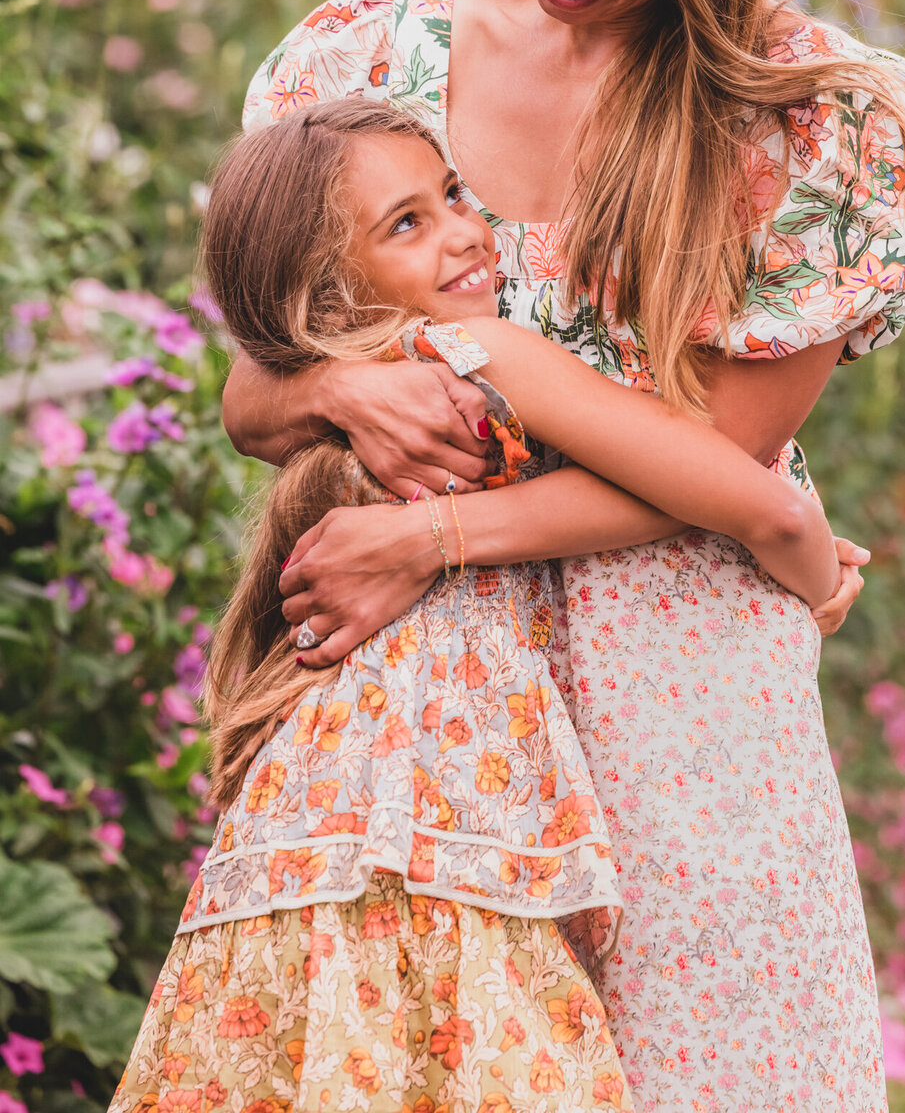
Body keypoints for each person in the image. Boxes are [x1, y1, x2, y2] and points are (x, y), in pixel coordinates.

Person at [225, 0, 905, 1112]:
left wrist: (431, 537)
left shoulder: (809, 115)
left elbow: (726, 456)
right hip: (418, 682)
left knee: (713, 1066)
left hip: (676, 676)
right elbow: (256, 391)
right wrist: (351, 390)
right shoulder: (374, 66)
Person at [112, 97, 842, 1113]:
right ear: (327, 288)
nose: (461, 230)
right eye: (406, 224)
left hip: (313, 824)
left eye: (453, 195)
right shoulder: (479, 356)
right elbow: (758, 504)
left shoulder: (355, 404)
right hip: (456, 824)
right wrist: (821, 581)